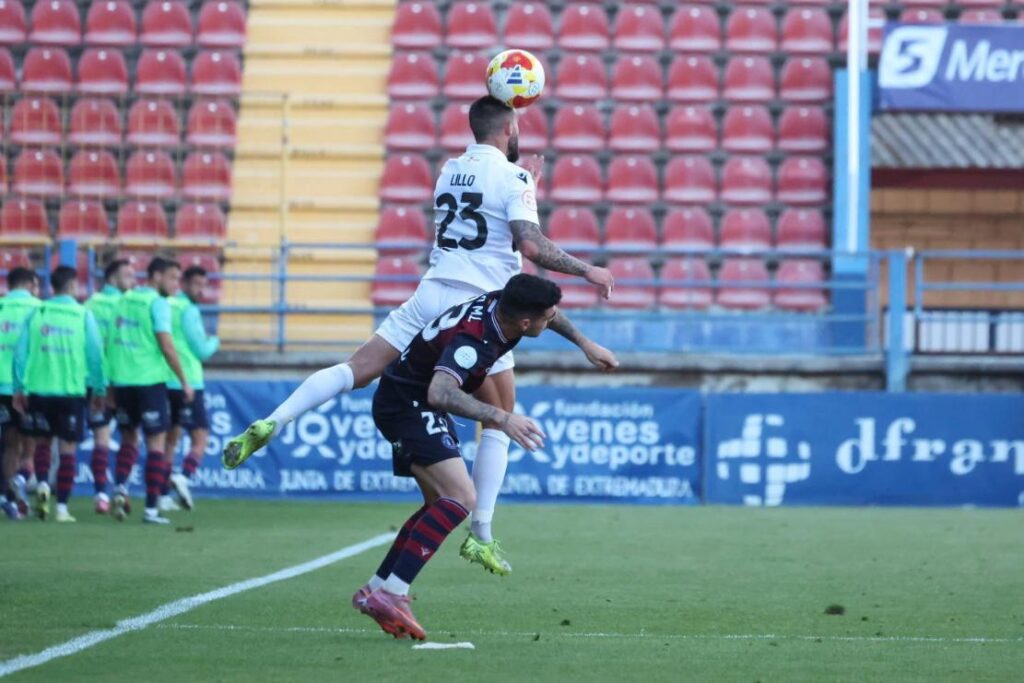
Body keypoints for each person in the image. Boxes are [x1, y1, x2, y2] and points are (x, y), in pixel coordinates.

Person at [223, 95, 616, 573]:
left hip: (431, 290)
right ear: (510, 128)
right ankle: (482, 534)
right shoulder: (512, 177)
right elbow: (529, 243)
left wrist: (524, 183)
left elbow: (488, 201)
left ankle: (274, 421)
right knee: (499, 419)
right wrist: (586, 270)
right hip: (480, 305)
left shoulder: (450, 169)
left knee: (358, 369)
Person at [354, 274, 617, 640]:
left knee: (438, 502)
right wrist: (502, 417)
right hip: (409, 405)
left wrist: (585, 343)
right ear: (526, 324)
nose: (553, 317)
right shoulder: (473, 341)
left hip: (405, 396)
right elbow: (441, 391)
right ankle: (392, 593)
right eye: (547, 315)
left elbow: (548, 314)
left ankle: (376, 588)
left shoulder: (505, 302)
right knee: (461, 498)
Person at [13, 266, 106, 522]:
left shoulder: (37, 312)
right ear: (74, 286)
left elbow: (20, 355)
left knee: (42, 443)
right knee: (68, 451)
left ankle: (42, 483)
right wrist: (99, 388)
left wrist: (19, 387)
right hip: (71, 392)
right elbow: (96, 356)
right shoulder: (82, 315)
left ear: (51, 288)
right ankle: (62, 508)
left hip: (39, 391)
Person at [107, 257, 193, 525]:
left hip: (121, 383)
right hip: (149, 382)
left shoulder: (122, 300)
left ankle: (121, 487)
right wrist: (184, 380)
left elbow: (111, 343)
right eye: (172, 278)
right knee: (156, 443)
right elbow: (167, 345)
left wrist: (109, 385)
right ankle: (151, 510)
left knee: (129, 440)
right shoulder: (158, 303)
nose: (176, 284)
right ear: (156, 276)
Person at [159, 265, 220, 512]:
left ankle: (162, 495)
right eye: (197, 284)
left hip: (165, 378)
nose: (202, 290)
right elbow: (202, 349)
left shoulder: (164, 305)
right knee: (201, 436)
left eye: (204, 284)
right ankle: (183, 476)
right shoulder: (188, 310)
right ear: (184, 283)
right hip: (188, 381)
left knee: (170, 440)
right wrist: (215, 340)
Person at [84, 258, 135, 514]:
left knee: (100, 438)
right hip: (125, 382)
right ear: (113, 276)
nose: (133, 279)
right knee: (130, 436)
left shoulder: (90, 304)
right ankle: (121, 488)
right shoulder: (128, 305)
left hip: (97, 381)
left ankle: (100, 495)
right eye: (128, 274)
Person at [0, 267, 41, 520]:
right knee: (31, 443)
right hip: (26, 387)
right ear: (29, 284)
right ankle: (19, 481)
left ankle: (8, 498)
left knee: (9, 444)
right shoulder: (39, 309)